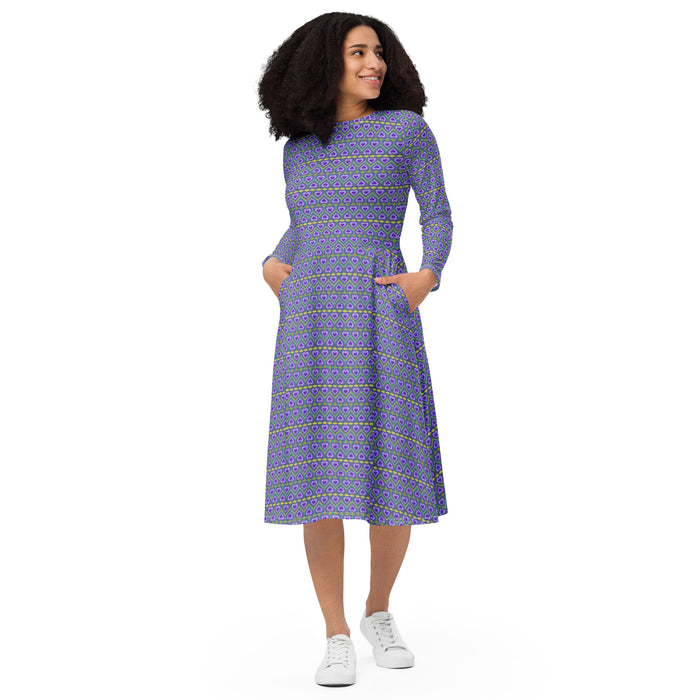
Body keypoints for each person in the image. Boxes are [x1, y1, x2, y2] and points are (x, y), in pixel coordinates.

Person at [258, 12, 454, 687]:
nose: (375, 63)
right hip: (311, 315)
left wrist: (428, 275)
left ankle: (378, 610)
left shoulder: (405, 131)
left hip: (380, 308)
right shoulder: (300, 147)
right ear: (325, 64)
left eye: (379, 52)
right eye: (358, 52)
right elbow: (305, 223)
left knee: (390, 465)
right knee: (318, 474)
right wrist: (271, 262)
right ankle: (335, 632)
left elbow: (437, 210)